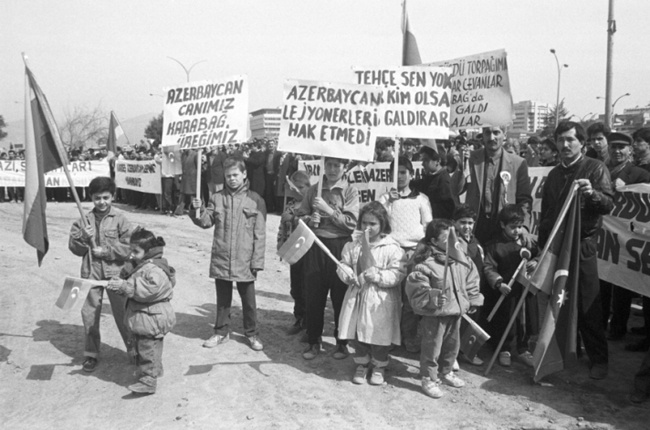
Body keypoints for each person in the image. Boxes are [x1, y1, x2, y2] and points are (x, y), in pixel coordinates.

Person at [539, 121, 614, 380]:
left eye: (571, 139)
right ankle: (567, 350)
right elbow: (547, 214)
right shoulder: (553, 174)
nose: (565, 145)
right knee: (559, 298)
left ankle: (598, 358)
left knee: (587, 302)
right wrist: (542, 247)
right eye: (560, 140)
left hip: (582, 245)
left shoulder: (595, 168)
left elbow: (608, 204)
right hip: (558, 245)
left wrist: (592, 193)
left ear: (582, 142)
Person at [190, 156, 266, 352]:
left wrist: (257, 261)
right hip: (222, 257)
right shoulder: (217, 197)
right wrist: (196, 210)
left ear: (244, 174)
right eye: (228, 175)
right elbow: (206, 222)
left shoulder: (256, 200)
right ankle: (220, 331)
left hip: (245, 258)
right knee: (223, 299)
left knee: (248, 300)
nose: (232, 179)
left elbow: (260, 234)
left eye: (235, 175)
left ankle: (252, 333)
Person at [405, 219, 484, 399]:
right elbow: (416, 289)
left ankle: (446, 371)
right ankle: (428, 378)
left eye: (453, 236)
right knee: (432, 347)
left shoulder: (461, 260)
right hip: (435, 315)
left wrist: (472, 299)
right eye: (446, 237)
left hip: (456, 312)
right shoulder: (425, 264)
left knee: (452, 346)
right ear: (433, 241)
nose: (452, 240)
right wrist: (432, 297)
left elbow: (471, 279)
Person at [296, 157, 359, 360]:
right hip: (316, 245)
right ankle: (314, 340)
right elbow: (299, 216)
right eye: (329, 164)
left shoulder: (350, 191)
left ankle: (341, 342)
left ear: (345, 167)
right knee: (314, 294)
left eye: (337, 165)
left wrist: (328, 210)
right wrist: (309, 219)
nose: (332, 169)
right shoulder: (314, 189)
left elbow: (351, 224)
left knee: (341, 295)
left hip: (341, 246)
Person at [68, 176, 134, 372]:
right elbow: (75, 249)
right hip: (91, 274)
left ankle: (134, 350)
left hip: (116, 275)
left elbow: (129, 249)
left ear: (112, 196)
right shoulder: (83, 220)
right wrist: (83, 238)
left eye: (106, 197)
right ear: (91, 198)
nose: (102, 202)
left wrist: (107, 252)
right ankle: (91, 354)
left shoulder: (121, 219)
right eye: (97, 198)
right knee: (89, 315)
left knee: (124, 315)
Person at [336, 202, 406, 385]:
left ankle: (379, 366)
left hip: (380, 299)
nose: (368, 227)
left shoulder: (392, 248)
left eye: (373, 224)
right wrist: (347, 274)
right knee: (356, 333)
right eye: (364, 223)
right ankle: (362, 363)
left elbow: (398, 273)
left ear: (382, 224)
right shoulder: (353, 245)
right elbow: (343, 264)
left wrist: (377, 275)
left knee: (379, 334)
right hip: (357, 295)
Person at [106, 228, 175, 395]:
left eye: (135, 251)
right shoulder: (142, 265)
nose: (131, 255)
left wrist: (126, 287)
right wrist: (121, 283)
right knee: (149, 346)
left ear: (148, 252)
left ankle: (148, 381)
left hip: (151, 316)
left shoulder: (155, 270)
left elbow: (149, 290)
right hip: (147, 316)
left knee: (147, 348)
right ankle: (155, 370)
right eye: (131, 251)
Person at [378, 156, 432, 353]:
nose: (399, 177)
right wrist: (388, 203)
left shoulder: (421, 199)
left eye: (403, 172)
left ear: (411, 174)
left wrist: (421, 250)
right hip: (391, 251)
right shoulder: (384, 198)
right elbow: (378, 223)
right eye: (395, 173)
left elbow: (428, 227)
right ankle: (390, 337)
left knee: (409, 298)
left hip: (413, 252)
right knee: (390, 297)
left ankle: (408, 336)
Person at [601, 132, 650, 342]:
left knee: (622, 285)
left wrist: (626, 189)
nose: (617, 151)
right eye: (613, 146)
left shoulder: (639, 174)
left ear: (630, 150)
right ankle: (600, 323)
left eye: (622, 147)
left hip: (625, 239)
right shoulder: (600, 169)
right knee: (601, 284)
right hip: (602, 237)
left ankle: (618, 327)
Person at [453, 126, 533, 245]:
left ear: (504, 135)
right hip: (476, 226)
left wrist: (524, 227)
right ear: (483, 135)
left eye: (496, 133)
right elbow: (456, 190)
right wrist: (461, 166)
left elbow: (524, 200)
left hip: (504, 227)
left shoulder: (518, 163)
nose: (492, 137)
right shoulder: (470, 159)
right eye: (487, 133)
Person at [483, 204, 539, 367]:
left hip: (524, 290)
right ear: (502, 225)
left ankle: (523, 348)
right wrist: (498, 282)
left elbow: (540, 255)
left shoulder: (527, 242)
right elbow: (488, 267)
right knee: (504, 319)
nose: (517, 231)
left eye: (520, 227)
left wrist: (535, 262)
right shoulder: (494, 245)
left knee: (525, 319)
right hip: (505, 292)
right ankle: (504, 348)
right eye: (513, 227)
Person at [277, 170, 311, 335]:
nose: (297, 190)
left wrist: (295, 219)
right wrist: (281, 246)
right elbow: (282, 228)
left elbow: (311, 224)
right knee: (296, 287)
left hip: (308, 251)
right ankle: (299, 318)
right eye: (294, 187)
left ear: (308, 186)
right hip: (293, 250)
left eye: (301, 187)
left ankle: (309, 320)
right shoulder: (289, 205)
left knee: (308, 287)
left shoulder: (311, 205)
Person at [452, 204, 486, 366]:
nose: (467, 226)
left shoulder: (475, 242)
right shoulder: (451, 242)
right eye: (463, 222)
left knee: (472, 322)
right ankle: (451, 355)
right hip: (458, 289)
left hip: (473, 289)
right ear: (454, 223)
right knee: (455, 324)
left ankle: (466, 352)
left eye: (470, 223)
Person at [410, 141, 455, 219]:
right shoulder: (432, 176)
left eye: (426, 160)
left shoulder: (444, 180)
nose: (422, 163)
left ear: (437, 161)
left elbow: (446, 209)